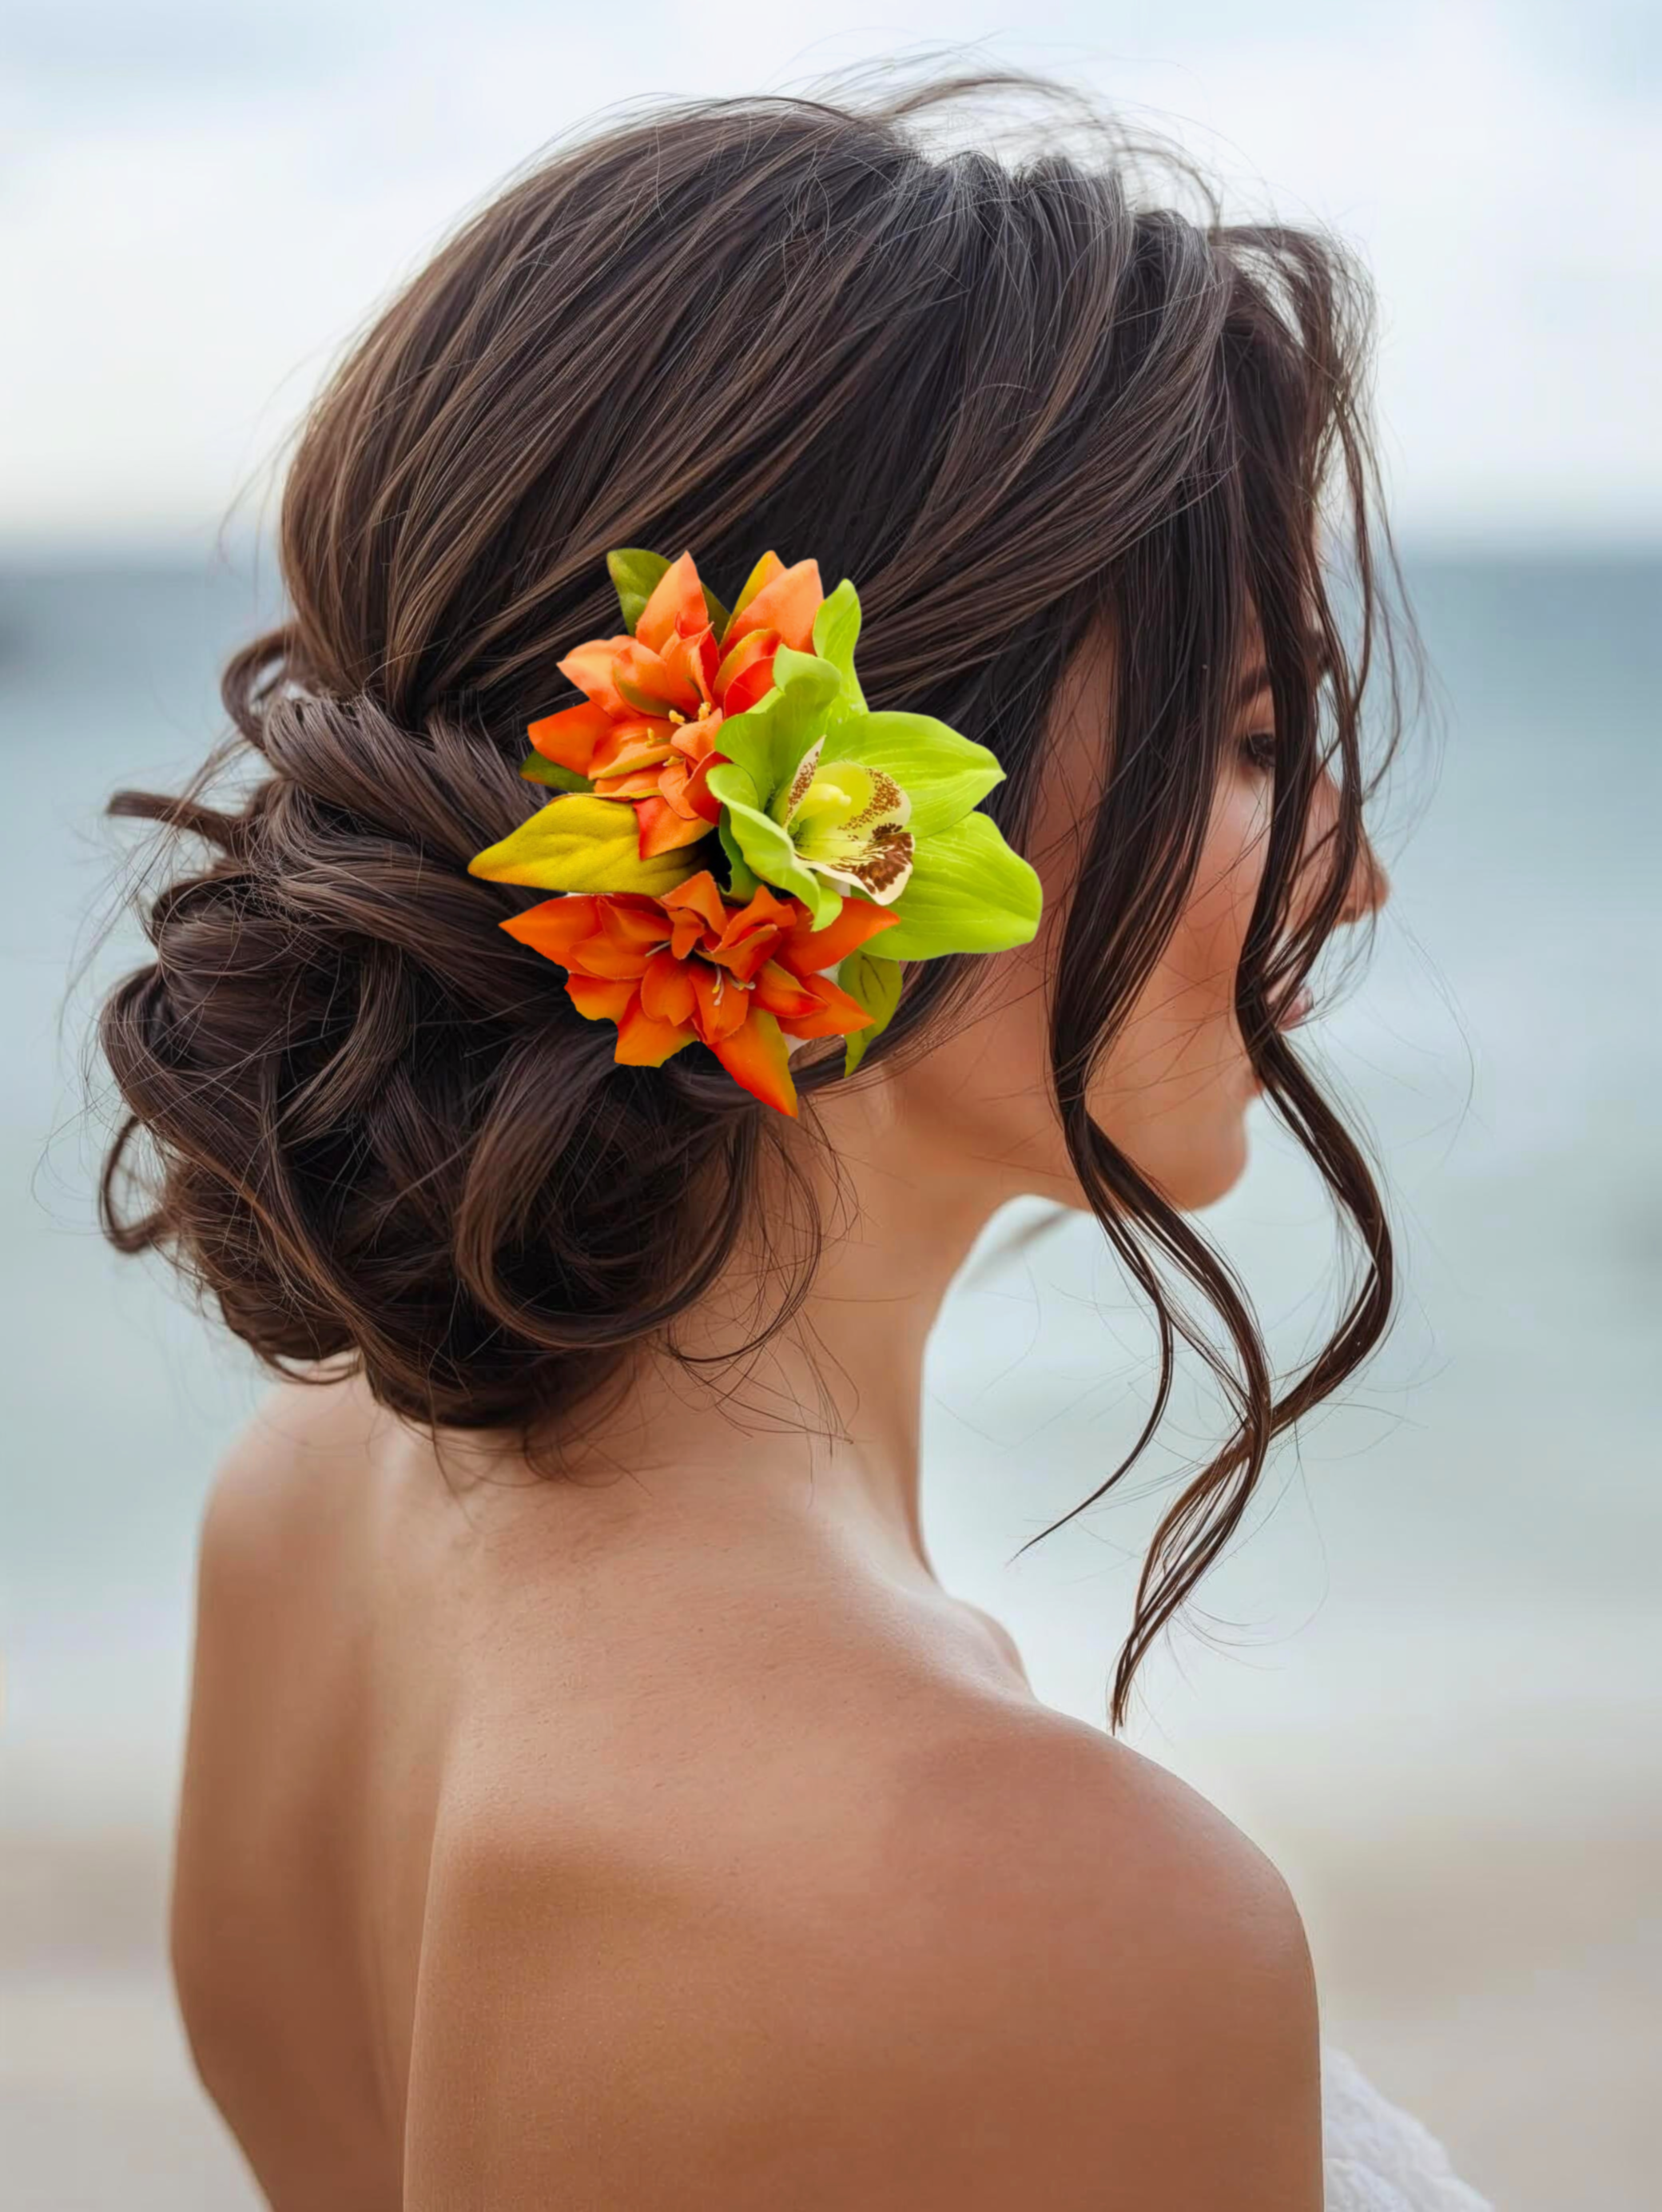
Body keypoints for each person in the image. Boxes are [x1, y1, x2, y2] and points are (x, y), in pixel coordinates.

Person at [97, 70, 1493, 2210]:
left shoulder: (311, 1504)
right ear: (844, 834)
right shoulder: (1022, 1901)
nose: (1353, 872)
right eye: (1247, 740)